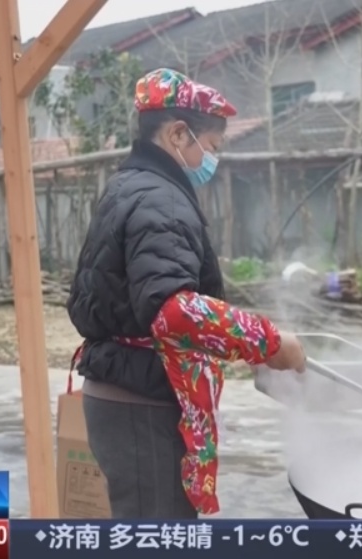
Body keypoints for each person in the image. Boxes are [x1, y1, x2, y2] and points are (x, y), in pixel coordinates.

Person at [66, 68, 306, 519]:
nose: (211, 159)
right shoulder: (162, 199)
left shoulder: (128, 186)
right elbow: (172, 311)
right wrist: (270, 343)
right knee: (159, 537)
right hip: (142, 406)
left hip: (121, 392)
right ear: (178, 134)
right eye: (211, 146)